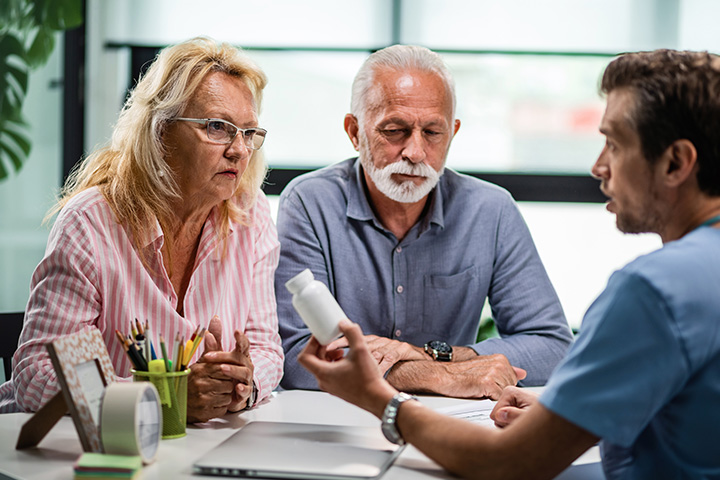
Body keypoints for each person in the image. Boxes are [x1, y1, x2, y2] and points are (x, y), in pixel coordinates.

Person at [299, 49, 720, 478]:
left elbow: (509, 462)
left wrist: (382, 398)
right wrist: (566, 412)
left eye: (613, 143)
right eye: (395, 130)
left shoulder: (653, 290)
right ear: (355, 131)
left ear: (675, 163)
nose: (597, 166)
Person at [0, 37, 284, 423]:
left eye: (248, 133)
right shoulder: (91, 222)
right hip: (82, 453)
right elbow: (36, 376)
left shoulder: (249, 217)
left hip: (198, 447)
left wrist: (240, 387)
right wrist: (167, 398)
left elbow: (266, 348)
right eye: (218, 127)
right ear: (161, 130)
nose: (239, 149)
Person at [275, 44, 572, 396]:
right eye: (394, 130)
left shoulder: (491, 210)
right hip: (341, 425)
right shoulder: (310, 202)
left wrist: (426, 355)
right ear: (354, 132)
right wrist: (438, 376)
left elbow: (554, 349)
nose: (416, 153)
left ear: (453, 133)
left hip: (454, 421)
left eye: (432, 132)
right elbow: (295, 357)